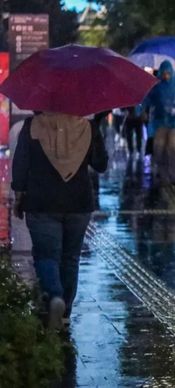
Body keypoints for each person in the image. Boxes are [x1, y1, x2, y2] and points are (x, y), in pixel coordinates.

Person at [12, 112, 108, 330]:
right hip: (78, 203)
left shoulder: (33, 125)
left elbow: (20, 164)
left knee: (46, 255)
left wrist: (19, 194)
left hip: (41, 202)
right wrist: (97, 131)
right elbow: (100, 164)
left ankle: (55, 296)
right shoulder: (87, 127)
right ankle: (64, 314)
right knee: (70, 258)